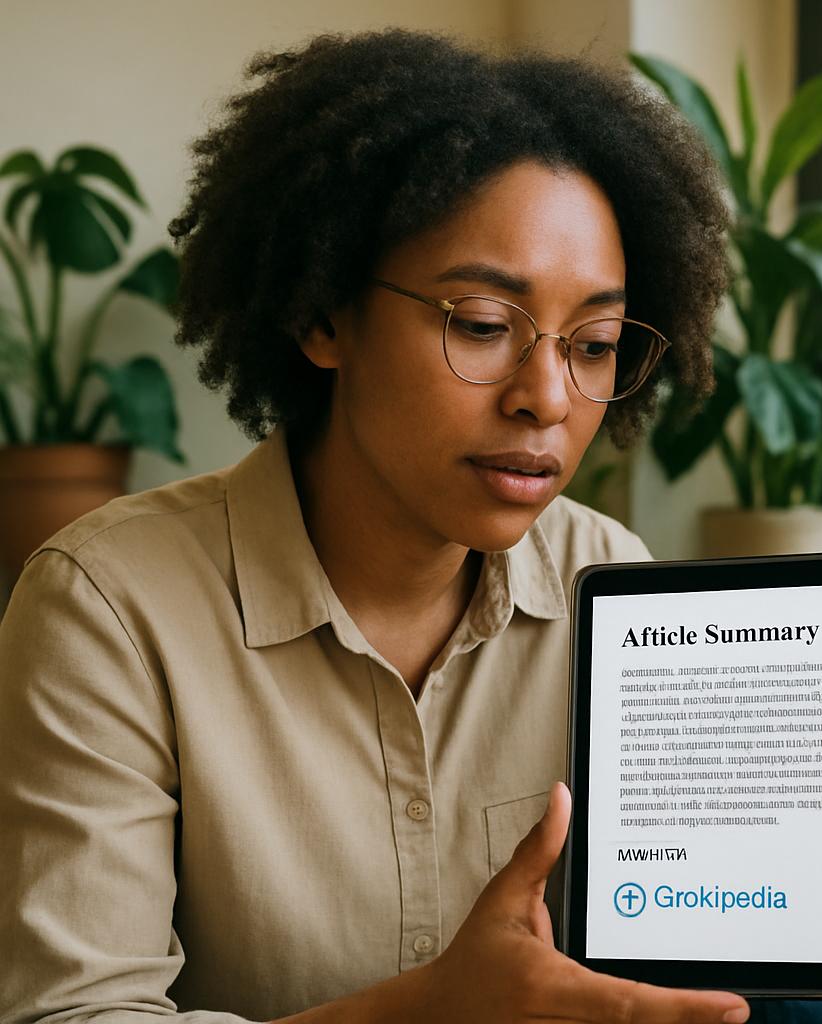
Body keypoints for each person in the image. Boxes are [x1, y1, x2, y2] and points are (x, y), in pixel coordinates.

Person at [0, 30, 753, 1024]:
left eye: (597, 344)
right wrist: (430, 1008)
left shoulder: (611, 586)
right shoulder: (110, 607)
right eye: (483, 323)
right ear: (324, 317)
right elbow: (75, 1014)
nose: (548, 398)